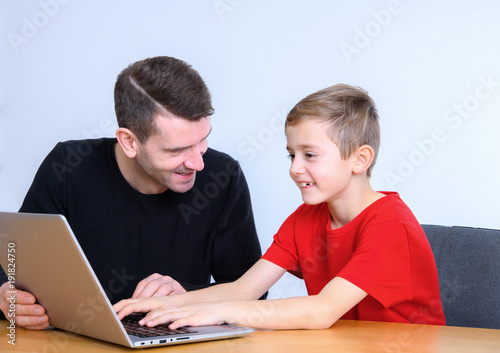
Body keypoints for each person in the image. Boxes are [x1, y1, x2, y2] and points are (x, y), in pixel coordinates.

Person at [113, 83, 446, 330]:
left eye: (310, 155)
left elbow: (322, 310)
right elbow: (243, 289)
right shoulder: (305, 219)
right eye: (292, 154)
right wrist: (164, 305)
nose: (295, 168)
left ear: (360, 159)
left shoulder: (390, 225)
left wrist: (221, 312)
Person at [0, 56, 263, 330]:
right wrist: (4, 293)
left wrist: (188, 295)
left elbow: (252, 291)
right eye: (176, 150)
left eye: (203, 139)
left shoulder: (223, 176)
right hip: (75, 342)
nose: (198, 163)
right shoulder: (68, 166)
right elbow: (12, 260)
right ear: (129, 142)